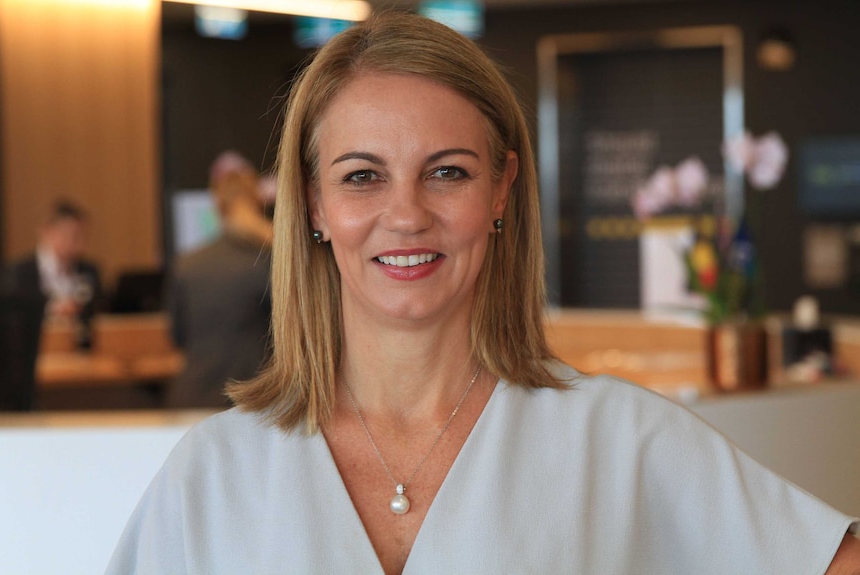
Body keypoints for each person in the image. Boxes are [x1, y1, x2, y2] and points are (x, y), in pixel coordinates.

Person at [107, 12, 860, 574]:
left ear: (501, 189)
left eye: (448, 171)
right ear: (312, 204)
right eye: (362, 176)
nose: (405, 214)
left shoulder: (622, 439)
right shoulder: (211, 473)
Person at [165, 150, 273, 409]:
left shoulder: (187, 264)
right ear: (258, 201)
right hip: (254, 403)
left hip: (193, 400)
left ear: (217, 205)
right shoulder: (272, 258)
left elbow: (177, 337)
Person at [1, 200, 102, 330]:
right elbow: (12, 315)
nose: (80, 245)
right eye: (73, 236)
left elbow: (98, 313)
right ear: (47, 232)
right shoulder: (19, 273)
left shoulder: (89, 271)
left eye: (84, 236)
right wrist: (50, 309)